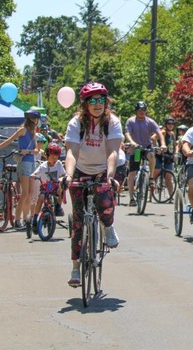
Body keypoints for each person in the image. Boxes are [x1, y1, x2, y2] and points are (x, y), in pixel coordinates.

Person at [63, 82, 123, 287]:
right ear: (85, 104)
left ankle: (107, 226)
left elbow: (113, 151)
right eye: (93, 101)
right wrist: (69, 176)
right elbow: (72, 152)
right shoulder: (76, 123)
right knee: (79, 221)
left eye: (101, 100)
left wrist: (110, 175)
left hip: (103, 169)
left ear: (106, 103)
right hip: (80, 169)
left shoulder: (112, 122)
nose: (97, 104)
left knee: (105, 198)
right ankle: (75, 269)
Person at [0, 109, 40, 229]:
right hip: (24, 163)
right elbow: (9, 141)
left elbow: (37, 150)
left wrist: (27, 151)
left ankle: (25, 218)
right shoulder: (22, 130)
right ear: (33, 119)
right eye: (36, 119)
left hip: (31, 163)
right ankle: (18, 220)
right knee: (24, 193)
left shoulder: (33, 132)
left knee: (29, 194)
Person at [125, 101, 165, 207]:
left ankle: (151, 177)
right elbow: (127, 133)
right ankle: (131, 198)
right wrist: (132, 142)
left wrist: (163, 144)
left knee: (152, 155)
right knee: (132, 173)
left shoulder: (150, 121)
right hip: (136, 149)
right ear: (136, 111)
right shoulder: (131, 121)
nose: (142, 112)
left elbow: (159, 132)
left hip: (146, 147)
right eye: (139, 110)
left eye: (143, 110)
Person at [29, 143, 66, 238]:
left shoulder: (58, 165)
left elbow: (63, 175)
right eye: (53, 157)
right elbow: (35, 173)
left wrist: (62, 178)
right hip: (45, 187)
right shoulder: (43, 166)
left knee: (62, 189)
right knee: (41, 198)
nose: (55, 160)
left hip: (55, 186)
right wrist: (33, 175)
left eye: (56, 157)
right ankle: (35, 219)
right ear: (47, 156)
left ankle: (58, 206)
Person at [152, 116, 176, 200]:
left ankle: (171, 196)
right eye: (169, 123)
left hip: (169, 157)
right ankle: (150, 196)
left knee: (169, 177)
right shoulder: (162, 132)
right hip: (160, 156)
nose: (170, 125)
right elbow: (153, 138)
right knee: (155, 175)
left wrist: (174, 154)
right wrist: (156, 148)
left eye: (172, 124)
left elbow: (173, 145)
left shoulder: (172, 133)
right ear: (165, 124)